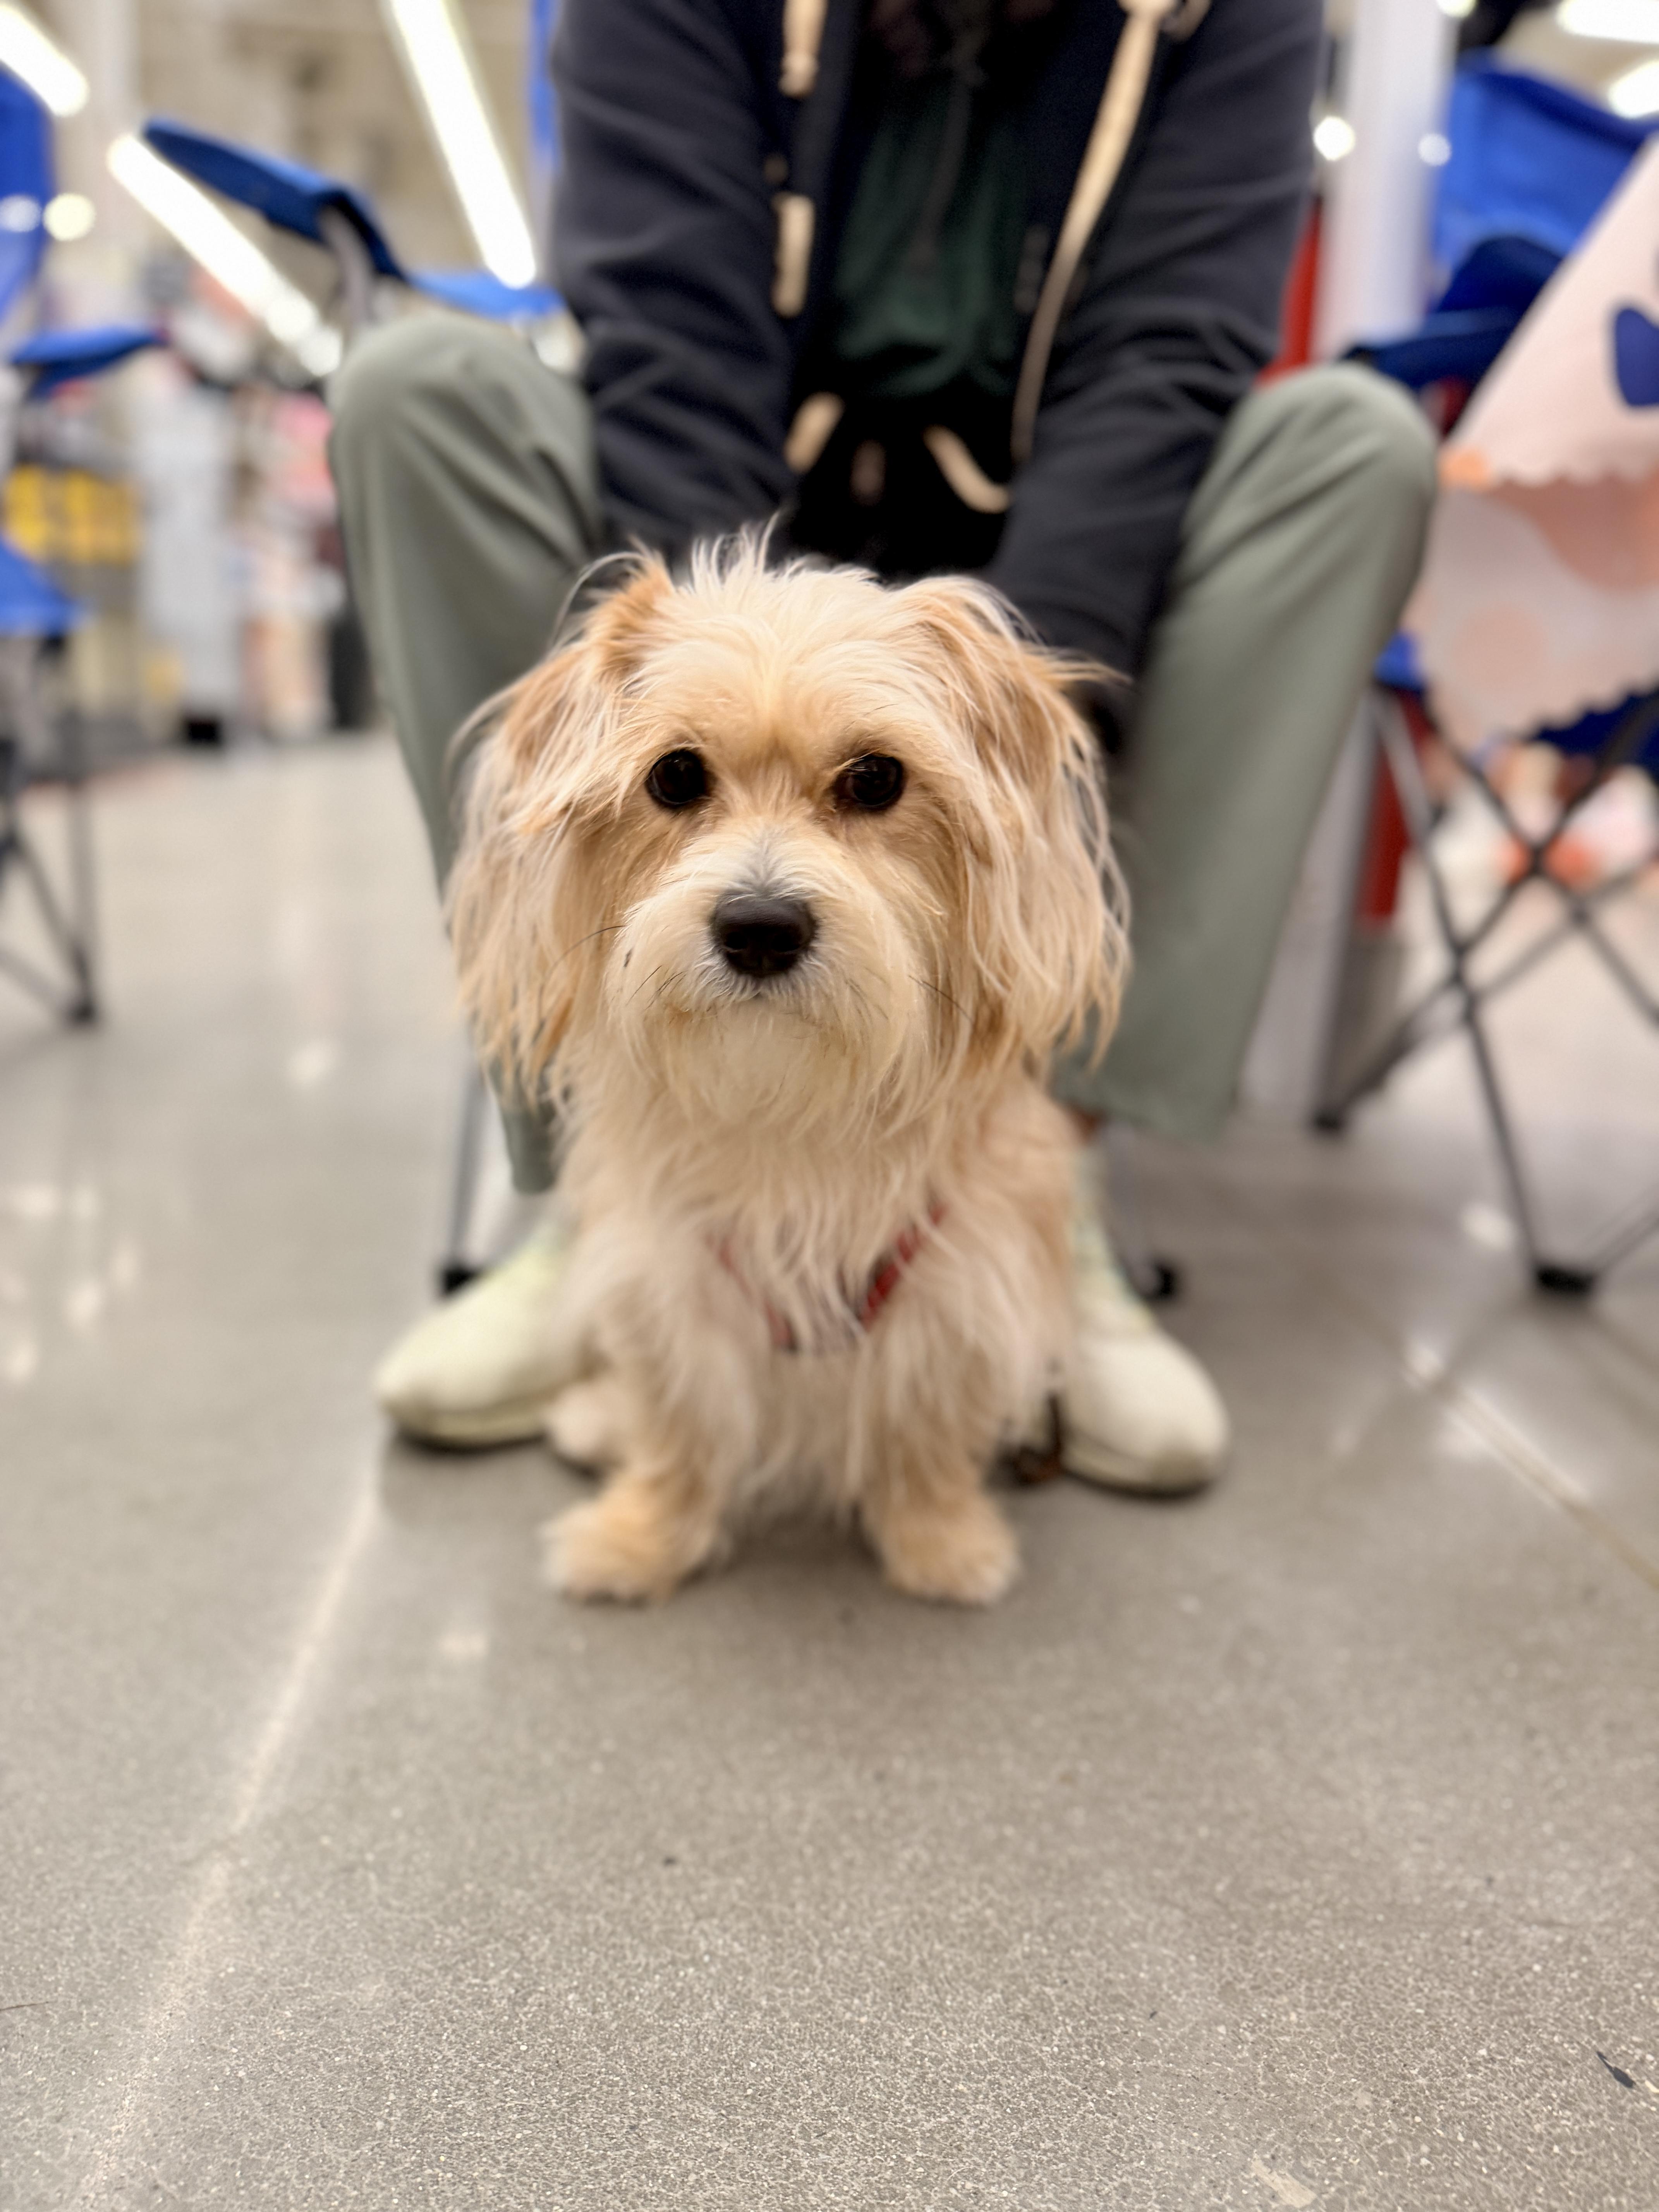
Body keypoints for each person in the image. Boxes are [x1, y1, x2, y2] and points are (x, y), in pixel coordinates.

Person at [331, 0, 1436, 1489]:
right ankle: (610, 1173)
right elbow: (666, 322)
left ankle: (1048, 1167)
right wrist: (727, 654)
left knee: (1355, 451)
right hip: (711, 512)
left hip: (1060, 551)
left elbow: (1167, 360)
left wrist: (991, 712)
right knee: (413, 393)